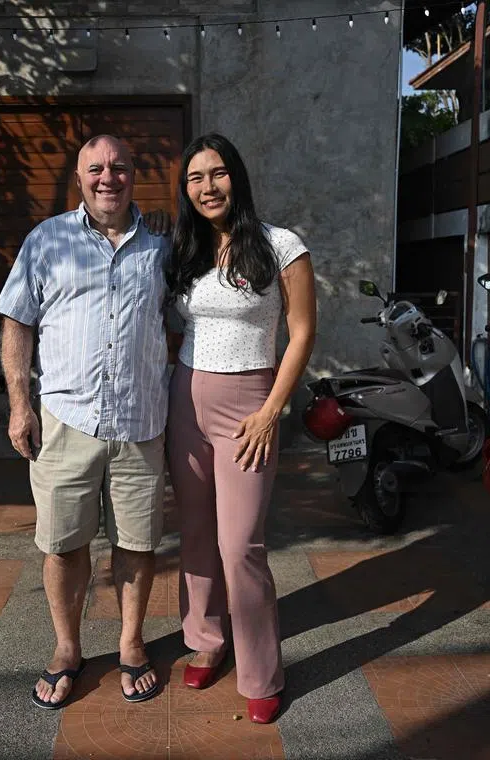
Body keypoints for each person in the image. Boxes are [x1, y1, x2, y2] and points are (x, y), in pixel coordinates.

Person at [0, 134, 171, 710]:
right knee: (64, 545)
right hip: (65, 421)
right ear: (79, 177)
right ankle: (67, 649)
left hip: (141, 422)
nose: (108, 178)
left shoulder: (164, 249)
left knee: (137, 544)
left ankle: (130, 644)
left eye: (119, 167)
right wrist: (20, 403)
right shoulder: (46, 242)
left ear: (134, 174)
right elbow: (17, 323)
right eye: (95, 169)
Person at [164, 133, 317, 724]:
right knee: (196, 535)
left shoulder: (281, 245)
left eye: (218, 173)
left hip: (250, 405)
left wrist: (272, 410)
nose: (208, 187)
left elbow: (302, 332)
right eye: (196, 178)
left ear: (238, 178)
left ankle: (260, 672)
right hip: (185, 401)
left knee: (241, 546)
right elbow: (179, 328)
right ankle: (205, 640)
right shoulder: (187, 249)